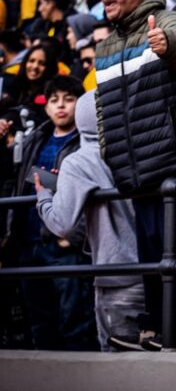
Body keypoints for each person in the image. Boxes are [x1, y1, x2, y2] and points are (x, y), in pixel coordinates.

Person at [84, 0, 176, 350]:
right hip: (136, 174)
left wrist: (166, 44)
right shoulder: (104, 46)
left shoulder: (167, 21)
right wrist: (111, 155)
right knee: (154, 258)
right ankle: (154, 329)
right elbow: (105, 112)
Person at [34, 90, 145, 353]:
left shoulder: (79, 161)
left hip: (116, 276)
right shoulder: (139, 150)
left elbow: (62, 223)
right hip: (155, 270)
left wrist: (44, 195)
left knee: (119, 365)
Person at [10, 76, 95, 351]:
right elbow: (17, 185)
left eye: (68, 99)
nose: (61, 106)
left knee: (75, 322)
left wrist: (73, 237)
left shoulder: (85, 142)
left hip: (64, 246)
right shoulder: (36, 138)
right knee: (39, 323)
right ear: (45, 107)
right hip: (30, 243)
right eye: (54, 100)